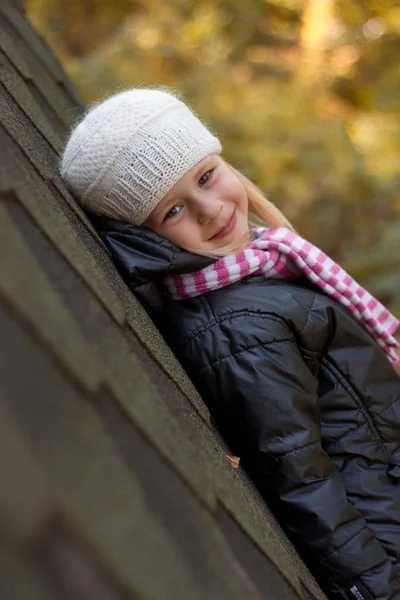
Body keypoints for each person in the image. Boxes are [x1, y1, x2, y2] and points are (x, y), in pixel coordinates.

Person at [60, 87, 400, 600]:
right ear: (145, 238)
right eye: (172, 211)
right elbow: (302, 479)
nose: (210, 209)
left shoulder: (261, 268)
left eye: (205, 177)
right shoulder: (235, 329)